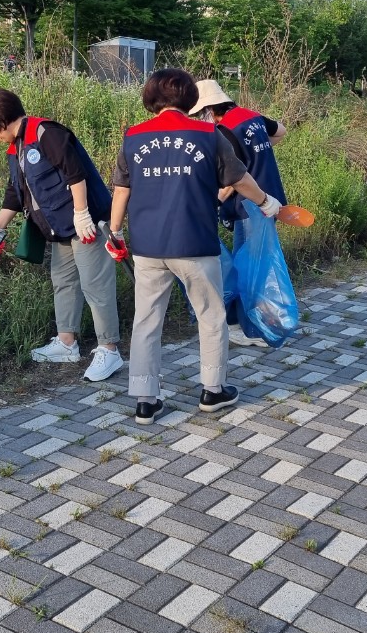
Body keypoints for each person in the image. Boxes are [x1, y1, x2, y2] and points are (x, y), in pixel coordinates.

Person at [107, 68, 282, 425]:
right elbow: (239, 178)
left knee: (146, 321)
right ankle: (212, 391)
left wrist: (114, 232)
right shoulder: (208, 133)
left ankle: (145, 400)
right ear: (190, 99)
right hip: (195, 242)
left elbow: (121, 191)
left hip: (148, 246)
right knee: (212, 315)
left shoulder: (133, 137)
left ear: (151, 98)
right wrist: (266, 201)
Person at [0, 89, 123, 381]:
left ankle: (110, 349)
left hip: (86, 224)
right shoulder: (17, 149)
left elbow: (74, 173)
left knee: (96, 286)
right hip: (59, 228)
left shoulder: (46, 133)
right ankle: (67, 343)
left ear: (1, 120)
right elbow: (14, 195)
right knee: (63, 282)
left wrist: (82, 214)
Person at [187, 78, 287, 347]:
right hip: (271, 199)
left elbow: (234, 179)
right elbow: (282, 131)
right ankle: (250, 323)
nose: (199, 118)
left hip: (250, 205)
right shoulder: (251, 116)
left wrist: (212, 203)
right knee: (256, 264)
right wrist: (256, 155)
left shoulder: (224, 129)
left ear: (210, 109)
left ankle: (250, 329)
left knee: (247, 268)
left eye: (200, 113)